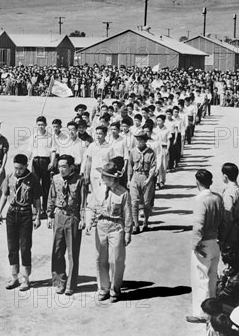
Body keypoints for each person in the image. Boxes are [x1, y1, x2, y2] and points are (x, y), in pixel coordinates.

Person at [86, 161, 132, 303]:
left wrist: (128, 232)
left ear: (112, 178)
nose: (102, 178)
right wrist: (89, 221)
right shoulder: (99, 190)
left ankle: (115, 290)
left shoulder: (124, 193)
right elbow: (90, 207)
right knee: (101, 259)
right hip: (101, 226)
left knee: (116, 260)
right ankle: (103, 288)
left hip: (116, 227)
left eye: (105, 176)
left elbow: (128, 214)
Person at [0, 154, 43, 291]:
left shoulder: (33, 179)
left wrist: (38, 216)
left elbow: (36, 200)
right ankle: (14, 277)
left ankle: (25, 279)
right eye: (16, 167)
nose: (18, 171)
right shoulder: (10, 176)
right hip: (11, 214)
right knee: (12, 247)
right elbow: (5, 195)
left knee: (25, 247)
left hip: (25, 215)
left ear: (26, 166)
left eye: (21, 168)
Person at [187, 169, 226, 323]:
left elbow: (198, 224)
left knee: (200, 278)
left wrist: (195, 244)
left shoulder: (200, 200)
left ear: (197, 182)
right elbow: (224, 220)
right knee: (212, 278)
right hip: (215, 241)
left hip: (203, 243)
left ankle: (201, 313)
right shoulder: (217, 198)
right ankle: (212, 310)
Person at [47, 155, 85, 296]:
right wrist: (50, 214)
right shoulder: (56, 179)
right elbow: (51, 197)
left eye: (64, 166)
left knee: (72, 253)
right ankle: (59, 282)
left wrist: (83, 218)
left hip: (73, 217)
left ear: (71, 167)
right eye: (59, 166)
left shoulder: (80, 180)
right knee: (57, 250)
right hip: (59, 216)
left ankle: (71, 284)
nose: (61, 169)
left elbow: (83, 201)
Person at [127, 129, 157, 234]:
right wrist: (128, 180)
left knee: (147, 203)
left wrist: (149, 179)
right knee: (134, 202)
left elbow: (153, 167)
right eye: (137, 139)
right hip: (135, 177)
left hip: (147, 177)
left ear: (145, 141)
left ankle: (145, 222)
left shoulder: (150, 152)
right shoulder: (132, 151)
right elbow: (130, 166)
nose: (139, 142)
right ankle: (135, 224)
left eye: (141, 140)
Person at [27, 116, 56, 219]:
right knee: (34, 185)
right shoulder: (33, 136)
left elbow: (53, 151)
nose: (40, 127)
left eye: (42, 125)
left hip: (46, 162)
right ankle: (36, 210)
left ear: (46, 125)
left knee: (46, 186)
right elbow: (29, 151)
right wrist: (27, 160)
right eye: (38, 125)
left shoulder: (50, 136)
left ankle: (45, 209)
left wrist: (52, 162)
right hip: (35, 162)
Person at [220, 163, 239, 250]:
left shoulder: (229, 192)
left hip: (232, 230)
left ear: (225, 176)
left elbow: (227, 218)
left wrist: (222, 238)